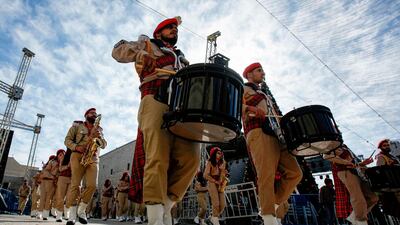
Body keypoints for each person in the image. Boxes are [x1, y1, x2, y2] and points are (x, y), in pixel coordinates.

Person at [112, 16, 200, 225]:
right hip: (155, 96)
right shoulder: (148, 43)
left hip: (181, 106)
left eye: (175, 28)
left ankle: (167, 205)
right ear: (158, 32)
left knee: (192, 159)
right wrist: (142, 53)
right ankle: (154, 218)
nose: (173, 30)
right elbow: (118, 51)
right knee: (157, 156)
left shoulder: (181, 57)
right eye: (169, 27)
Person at [241, 63, 303, 225]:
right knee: (266, 174)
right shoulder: (244, 88)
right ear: (249, 74)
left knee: (295, 173)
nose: (263, 73)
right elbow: (234, 106)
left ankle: (272, 205)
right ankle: (268, 217)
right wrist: (249, 109)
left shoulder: (263, 93)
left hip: (277, 135)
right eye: (259, 70)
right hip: (258, 131)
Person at [64, 108, 107, 225]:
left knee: (92, 185)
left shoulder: (99, 129)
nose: (94, 115)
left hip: (92, 157)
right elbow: (67, 140)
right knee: (76, 185)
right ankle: (72, 216)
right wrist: (76, 147)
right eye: (92, 113)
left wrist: (100, 138)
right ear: (86, 115)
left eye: (95, 114)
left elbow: (104, 145)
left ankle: (81, 210)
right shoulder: (77, 126)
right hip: (77, 155)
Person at [323, 145, 378, 225]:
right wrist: (346, 162)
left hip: (356, 171)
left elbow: (354, 163)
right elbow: (326, 156)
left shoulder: (344, 146)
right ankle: (360, 221)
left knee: (373, 197)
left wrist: (363, 163)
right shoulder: (331, 145)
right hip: (345, 171)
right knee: (358, 197)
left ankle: (354, 217)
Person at [375, 139, 400, 218]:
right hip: (393, 186)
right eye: (384, 145)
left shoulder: (392, 156)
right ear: (381, 147)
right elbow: (381, 171)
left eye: (388, 145)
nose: (387, 147)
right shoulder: (381, 157)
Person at [204, 147, 226, 225]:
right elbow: (205, 175)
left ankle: (212, 217)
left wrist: (223, 172)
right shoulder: (209, 162)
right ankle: (215, 220)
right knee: (216, 203)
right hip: (212, 182)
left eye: (221, 153)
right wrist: (215, 181)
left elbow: (223, 174)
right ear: (214, 154)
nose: (220, 154)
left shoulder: (222, 162)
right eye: (218, 153)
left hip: (220, 183)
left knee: (223, 204)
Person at [38, 153, 60, 220]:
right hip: (46, 181)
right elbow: (46, 171)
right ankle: (40, 214)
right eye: (60, 154)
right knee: (43, 198)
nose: (61, 156)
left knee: (48, 199)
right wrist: (53, 176)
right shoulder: (52, 162)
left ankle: (45, 214)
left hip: (51, 182)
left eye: (62, 155)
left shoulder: (60, 163)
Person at [53, 149, 70, 222]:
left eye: (62, 153)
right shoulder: (61, 160)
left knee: (70, 197)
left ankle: (67, 214)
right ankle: (59, 215)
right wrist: (68, 166)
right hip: (62, 178)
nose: (61, 155)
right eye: (59, 154)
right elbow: (60, 169)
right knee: (60, 197)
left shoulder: (71, 156)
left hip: (72, 178)